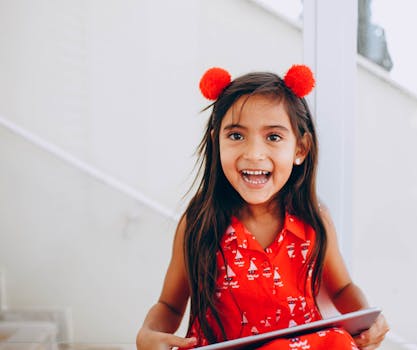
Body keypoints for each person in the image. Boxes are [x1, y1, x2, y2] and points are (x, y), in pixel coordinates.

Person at [136, 65, 389, 349]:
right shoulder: (198, 223)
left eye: (273, 137)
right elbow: (169, 305)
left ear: (300, 149)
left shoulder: (314, 219)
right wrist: (148, 333)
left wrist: (367, 321)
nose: (254, 153)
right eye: (235, 136)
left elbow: (342, 288)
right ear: (215, 142)